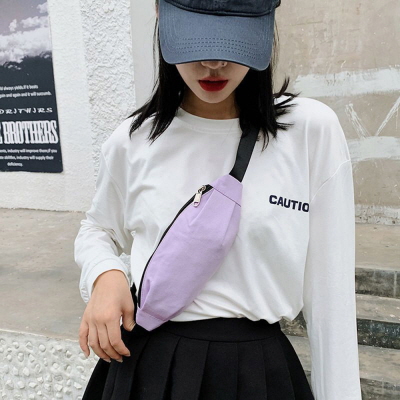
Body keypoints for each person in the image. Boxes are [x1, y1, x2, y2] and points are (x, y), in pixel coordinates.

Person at [74, 0, 362, 399]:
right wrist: (105, 275)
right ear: (160, 14)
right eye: (196, 39)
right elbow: (97, 229)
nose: (213, 64)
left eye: (232, 40)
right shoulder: (133, 141)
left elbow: (332, 302)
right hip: (149, 370)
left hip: (259, 376)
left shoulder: (310, 132)